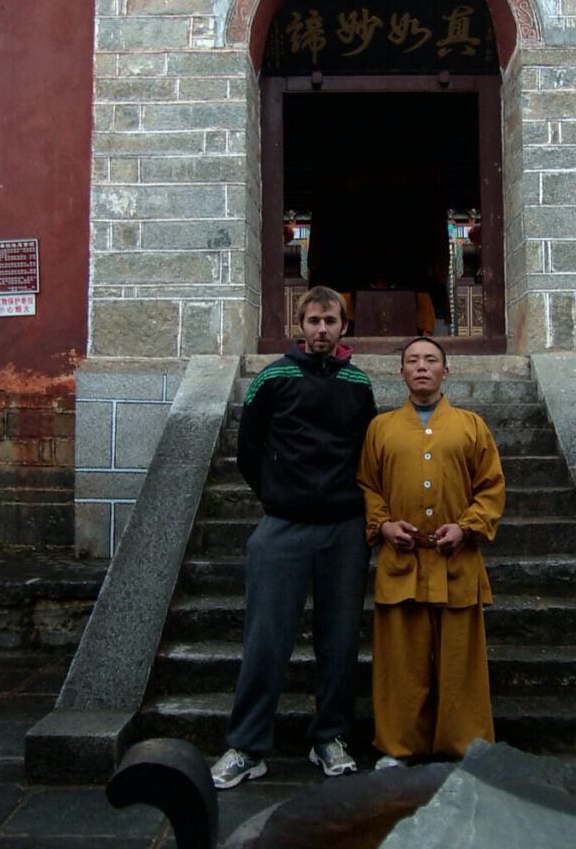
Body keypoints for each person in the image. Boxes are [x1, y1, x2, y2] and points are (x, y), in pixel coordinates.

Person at [211, 286, 377, 790]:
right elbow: (249, 449)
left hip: (345, 529)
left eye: (331, 321)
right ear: (299, 327)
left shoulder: (357, 383)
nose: (322, 330)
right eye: (313, 321)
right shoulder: (274, 378)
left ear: (344, 327)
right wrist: (279, 496)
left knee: (340, 640)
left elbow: (368, 452)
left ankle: (329, 736)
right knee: (266, 639)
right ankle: (246, 744)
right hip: (283, 527)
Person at [357, 337, 505, 768]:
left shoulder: (472, 426)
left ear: (446, 371)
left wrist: (466, 528)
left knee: (461, 663)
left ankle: (464, 745)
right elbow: (367, 485)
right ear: (401, 372)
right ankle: (398, 746)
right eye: (412, 361)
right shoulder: (380, 428)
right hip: (401, 561)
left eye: (431, 360)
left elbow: (491, 488)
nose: (422, 367)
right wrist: (383, 524)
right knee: (399, 663)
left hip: (456, 561)